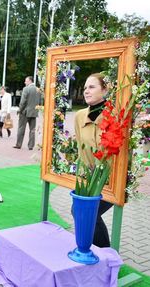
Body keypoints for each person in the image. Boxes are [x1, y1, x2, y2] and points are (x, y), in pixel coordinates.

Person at [74, 73, 112, 248]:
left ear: (104, 90)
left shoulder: (115, 116)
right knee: (80, 212)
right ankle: (93, 250)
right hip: (88, 178)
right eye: (85, 88)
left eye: (92, 87)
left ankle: (106, 254)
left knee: (91, 213)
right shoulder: (79, 116)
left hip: (110, 180)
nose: (86, 91)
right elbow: (81, 149)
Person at [13, 76, 41, 150]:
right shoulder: (38, 90)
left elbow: (23, 101)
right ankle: (31, 146)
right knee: (32, 130)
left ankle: (18, 144)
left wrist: (19, 110)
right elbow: (40, 102)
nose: (25, 82)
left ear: (30, 81)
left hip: (25, 112)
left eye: (26, 81)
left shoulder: (26, 89)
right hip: (34, 112)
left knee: (21, 128)